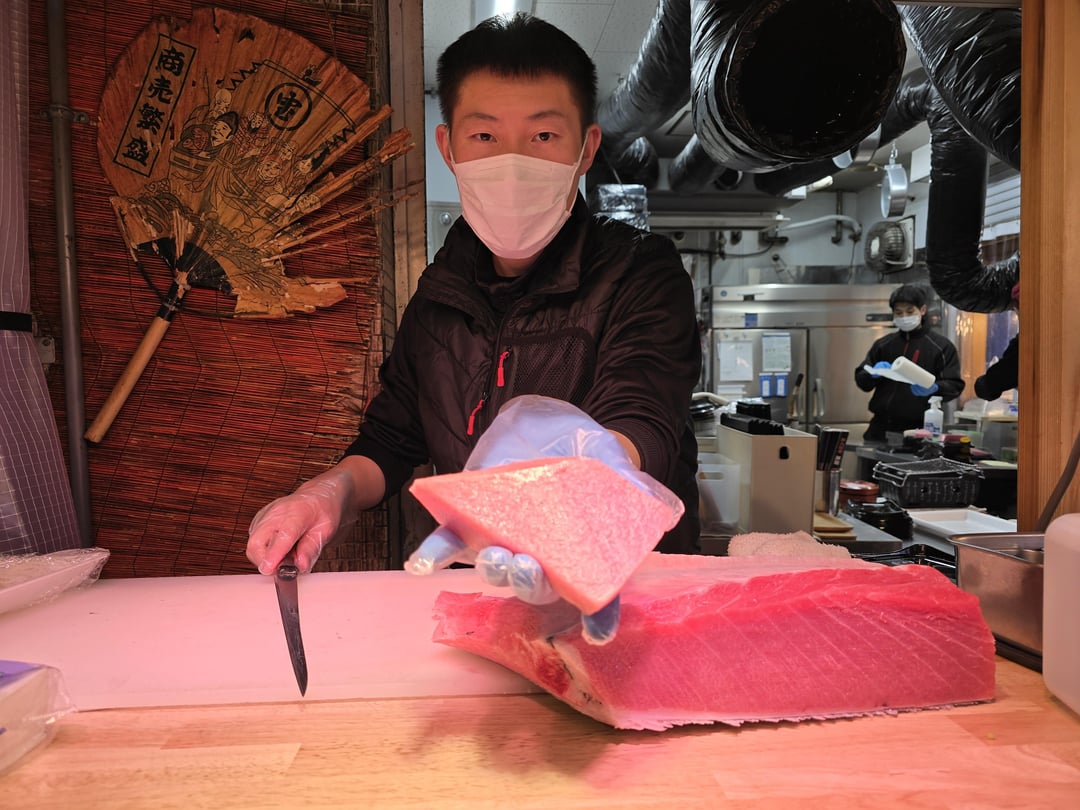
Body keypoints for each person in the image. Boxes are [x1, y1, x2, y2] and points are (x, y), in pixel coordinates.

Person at [246, 14, 702, 642]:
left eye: (543, 135)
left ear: (586, 149)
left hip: (627, 606)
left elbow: (642, 413)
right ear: (449, 148)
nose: (513, 162)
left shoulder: (640, 272)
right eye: (485, 135)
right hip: (490, 602)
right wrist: (329, 492)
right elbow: (391, 439)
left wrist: (585, 485)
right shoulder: (439, 295)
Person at [854, 283, 964, 442]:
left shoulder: (941, 347)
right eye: (898, 313)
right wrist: (872, 374)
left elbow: (955, 386)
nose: (904, 317)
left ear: (923, 310)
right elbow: (862, 380)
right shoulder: (884, 344)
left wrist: (935, 388)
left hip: (919, 431)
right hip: (879, 429)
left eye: (910, 311)